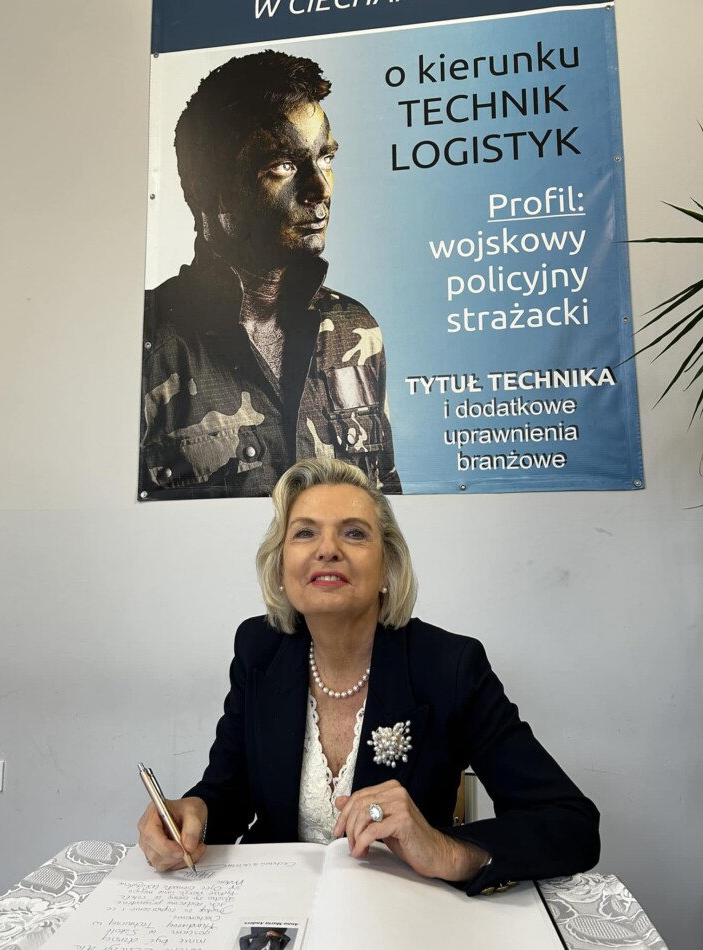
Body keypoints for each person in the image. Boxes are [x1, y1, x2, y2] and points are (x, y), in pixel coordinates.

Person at [138, 458, 599, 894]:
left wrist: (448, 851)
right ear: (280, 567)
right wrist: (194, 812)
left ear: (387, 568)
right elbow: (229, 791)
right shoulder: (258, 649)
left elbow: (570, 822)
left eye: (354, 533)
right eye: (304, 533)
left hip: (399, 910)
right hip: (275, 907)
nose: (327, 550)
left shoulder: (450, 665)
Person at [139, 51, 400, 500]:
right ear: (208, 188)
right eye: (283, 164)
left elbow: (386, 507)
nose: (320, 189)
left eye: (326, 157)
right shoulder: (145, 342)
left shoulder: (355, 329)